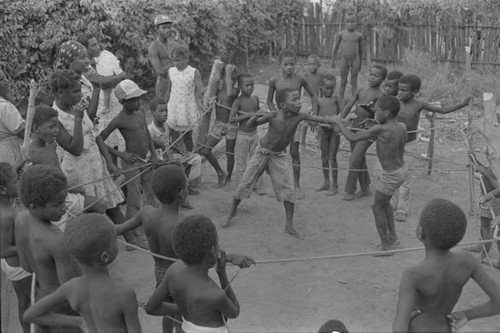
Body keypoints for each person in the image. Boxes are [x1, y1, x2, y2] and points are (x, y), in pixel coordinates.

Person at [222, 88, 335, 239]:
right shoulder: (274, 115)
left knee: (288, 190)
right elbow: (250, 125)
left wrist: (339, 120)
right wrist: (255, 117)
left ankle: (289, 225)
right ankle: (232, 211)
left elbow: (323, 120)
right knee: (245, 183)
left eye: (298, 99)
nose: (299, 102)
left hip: (278, 156)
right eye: (294, 100)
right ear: (282, 104)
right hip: (261, 152)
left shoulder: (299, 116)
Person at [392, 198, 500, 333]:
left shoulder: (413, 275)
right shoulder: (467, 261)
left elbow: (398, 328)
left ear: (421, 231)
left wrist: (408, 319)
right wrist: (467, 314)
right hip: (446, 328)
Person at [24, 213, 142, 333]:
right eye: (115, 242)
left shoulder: (71, 287)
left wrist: (78, 321)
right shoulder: (124, 294)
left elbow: (30, 315)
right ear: (105, 256)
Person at [145, 214, 255, 333]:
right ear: (213, 251)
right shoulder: (216, 295)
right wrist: (222, 274)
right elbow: (235, 311)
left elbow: (150, 308)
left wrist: (181, 308)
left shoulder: (174, 271)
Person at [51, 69, 128, 238]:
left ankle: (129, 236)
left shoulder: (75, 107)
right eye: (76, 91)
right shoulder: (55, 118)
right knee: (91, 211)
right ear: (60, 93)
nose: (80, 95)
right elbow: (75, 149)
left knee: (111, 202)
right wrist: (78, 119)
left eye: (80, 90)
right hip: (78, 172)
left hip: (96, 165)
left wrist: (109, 161)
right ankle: (98, 245)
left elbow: (94, 133)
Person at [332, 96, 407, 254]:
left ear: (386, 112)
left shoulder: (380, 129)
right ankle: (392, 237)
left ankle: (385, 245)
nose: (374, 114)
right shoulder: (401, 126)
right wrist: (375, 124)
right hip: (400, 171)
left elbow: (352, 137)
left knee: (377, 207)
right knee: (384, 204)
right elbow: (388, 134)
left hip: (390, 175)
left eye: (377, 111)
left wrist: (338, 121)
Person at [15, 165, 83, 333]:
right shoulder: (57, 241)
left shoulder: (21, 219)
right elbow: (71, 292)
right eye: (57, 204)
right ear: (34, 207)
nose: (64, 207)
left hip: (41, 298)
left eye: (64, 200)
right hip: (64, 309)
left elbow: (26, 266)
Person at [394, 74, 471, 222]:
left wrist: (463, 104)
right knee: (392, 173)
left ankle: (402, 209)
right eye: (399, 89)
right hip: (393, 143)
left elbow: (442, 111)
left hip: (409, 145)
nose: (400, 92)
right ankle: (392, 201)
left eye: (404, 90)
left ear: (415, 92)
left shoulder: (419, 104)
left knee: (406, 178)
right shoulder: (394, 102)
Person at [28, 104, 107, 230]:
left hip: (65, 194)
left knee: (100, 205)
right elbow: (41, 186)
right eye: (52, 127)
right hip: (52, 200)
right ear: (36, 128)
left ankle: (83, 233)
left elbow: (57, 174)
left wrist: (70, 189)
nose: (57, 130)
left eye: (56, 126)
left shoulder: (52, 145)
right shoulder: (31, 155)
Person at [97, 79, 158, 222]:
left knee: (150, 190)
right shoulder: (120, 119)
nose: (139, 102)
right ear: (123, 102)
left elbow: (147, 134)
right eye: (134, 99)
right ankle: (134, 226)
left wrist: (154, 154)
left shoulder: (141, 112)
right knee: (135, 196)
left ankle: (154, 219)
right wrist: (121, 154)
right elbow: (99, 139)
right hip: (131, 163)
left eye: (139, 98)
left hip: (145, 159)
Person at [267, 49, 318, 200]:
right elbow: (269, 100)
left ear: (295, 64)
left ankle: (296, 184)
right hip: (279, 120)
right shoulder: (274, 80)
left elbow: (314, 95)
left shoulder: (300, 79)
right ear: (280, 64)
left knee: (294, 152)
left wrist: (314, 115)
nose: (289, 67)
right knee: (274, 151)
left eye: (292, 64)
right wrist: (275, 114)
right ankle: (276, 183)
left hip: (294, 120)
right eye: (285, 64)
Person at [340, 64, 387, 201]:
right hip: (355, 127)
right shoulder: (360, 89)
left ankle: (350, 190)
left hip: (369, 130)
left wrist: (371, 111)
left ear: (383, 79)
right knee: (359, 158)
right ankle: (365, 188)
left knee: (354, 159)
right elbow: (348, 105)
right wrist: (340, 120)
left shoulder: (381, 95)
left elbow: (379, 116)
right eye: (371, 74)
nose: (372, 77)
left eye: (376, 75)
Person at [77, 33, 127, 155]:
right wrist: (122, 76)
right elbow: (103, 83)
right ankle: (109, 164)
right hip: (99, 105)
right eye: (93, 45)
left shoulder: (104, 57)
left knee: (116, 135)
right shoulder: (86, 67)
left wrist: (116, 77)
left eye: (97, 43)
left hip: (113, 101)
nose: (98, 47)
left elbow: (110, 76)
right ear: (85, 49)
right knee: (104, 136)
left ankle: (115, 163)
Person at [148, 97, 202, 196]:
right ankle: (180, 188)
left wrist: (180, 150)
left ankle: (190, 186)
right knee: (177, 167)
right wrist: (167, 160)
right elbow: (152, 151)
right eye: (161, 111)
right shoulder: (150, 130)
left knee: (197, 158)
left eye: (166, 110)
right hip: (161, 160)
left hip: (171, 156)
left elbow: (168, 144)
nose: (165, 113)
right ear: (152, 113)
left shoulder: (167, 126)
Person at [0, 162, 31, 333]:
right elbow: (2, 251)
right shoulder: (5, 215)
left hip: (13, 264)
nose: (18, 183)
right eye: (15, 181)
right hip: (18, 266)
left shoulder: (7, 204)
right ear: (3, 190)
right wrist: (29, 246)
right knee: (36, 302)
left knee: (23, 301)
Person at [200, 64, 239, 188]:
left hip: (231, 125)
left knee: (229, 154)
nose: (233, 80)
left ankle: (228, 178)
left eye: (234, 78)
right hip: (219, 125)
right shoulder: (217, 87)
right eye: (230, 77)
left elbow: (229, 93)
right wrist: (212, 99)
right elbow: (207, 93)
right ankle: (220, 173)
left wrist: (228, 73)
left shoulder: (235, 90)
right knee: (205, 150)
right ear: (222, 77)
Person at [228, 72, 265, 194]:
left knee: (257, 161)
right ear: (240, 86)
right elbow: (231, 119)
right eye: (247, 85)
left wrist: (261, 116)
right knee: (241, 164)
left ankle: (257, 186)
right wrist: (247, 116)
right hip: (242, 136)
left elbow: (258, 116)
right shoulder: (238, 101)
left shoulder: (255, 99)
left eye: (252, 84)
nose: (250, 87)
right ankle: (240, 188)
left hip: (254, 134)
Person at [166, 46, 204, 153]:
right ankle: (174, 155)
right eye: (173, 60)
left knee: (187, 136)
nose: (176, 63)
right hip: (173, 107)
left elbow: (200, 89)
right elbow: (169, 90)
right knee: (171, 134)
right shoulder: (171, 71)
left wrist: (211, 87)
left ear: (186, 58)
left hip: (186, 109)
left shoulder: (193, 72)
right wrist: (165, 104)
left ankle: (190, 156)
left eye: (179, 60)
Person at [465, 162, 500, 269]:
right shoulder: (494, 155)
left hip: (495, 199)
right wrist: (476, 163)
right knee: (485, 223)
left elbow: (496, 183)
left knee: (494, 228)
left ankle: (484, 254)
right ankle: (482, 247)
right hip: (490, 195)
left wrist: (484, 172)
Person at [316, 74, 343, 195]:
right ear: (321, 87)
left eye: (331, 88)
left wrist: (338, 125)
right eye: (327, 88)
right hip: (323, 131)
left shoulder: (337, 98)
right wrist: (314, 122)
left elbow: (343, 113)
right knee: (324, 157)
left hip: (334, 132)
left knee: (332, 157)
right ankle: (326, 182)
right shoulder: (319, 101)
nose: (329, 90)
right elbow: (315, 116)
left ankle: (335, 185)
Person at [148, 14, 185, 100]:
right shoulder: (154, 47)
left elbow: (184, 60)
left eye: (169, 28)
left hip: (177, 82)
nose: (167, 30)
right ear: (157, 29)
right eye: (164, 28)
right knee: (164, 109)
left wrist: (178, 39)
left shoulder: (173, 44)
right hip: (164, 84)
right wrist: (175, 63)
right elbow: (160, 71)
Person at [331, 12, 363, 99]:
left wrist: (360, 63)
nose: (350, 24)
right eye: (348, 21)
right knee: (343, 81)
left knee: (354, 81)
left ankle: (354, 102)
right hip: (344, 60)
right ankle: (340, 101)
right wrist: (332, 59)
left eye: (352, 21)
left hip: (355, 60)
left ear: (356, 22)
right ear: (345, 22)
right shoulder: (341, 34)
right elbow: (336, 47)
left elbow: (360, 50)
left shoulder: (359, 35)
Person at [301, 54, 324, 149]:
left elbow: (322, 90)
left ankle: (319, 141)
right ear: (307, 65)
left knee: (320, 119)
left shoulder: (320, 76)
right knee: (304, 119)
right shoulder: (305, 75)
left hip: (317, 100)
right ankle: (302, 142)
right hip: (306, 100)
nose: (312, 66)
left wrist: (322, 101)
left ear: (318, 65)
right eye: (310, 64)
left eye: (315, 64)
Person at [0, 79, 24, 165]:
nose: (6, 80)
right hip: (10, 154)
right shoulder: (4, 106)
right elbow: (22, 132)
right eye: (1, 79)